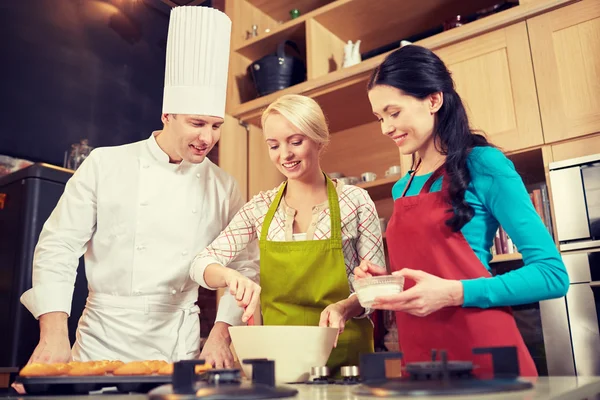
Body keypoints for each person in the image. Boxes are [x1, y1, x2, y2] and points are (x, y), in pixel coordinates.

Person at [20, 6, 259, 365]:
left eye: (215, 125)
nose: (207, 137)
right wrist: (53, 335)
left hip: (179, 345)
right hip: (102, 340)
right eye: (197, 123)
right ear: (167, 115)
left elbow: (245, 266)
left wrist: (221, 335)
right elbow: (58, 247)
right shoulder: (106, 164)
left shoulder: (224, 186)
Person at [355, 44, 569, 377]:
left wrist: (455, 293)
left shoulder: (484, 165)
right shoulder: (403, 187)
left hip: (485, 355)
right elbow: (425, 274)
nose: (385, 127)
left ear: (433, 100)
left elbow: (552, 275)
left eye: (393, 113)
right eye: (379, 117)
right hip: (422, 360)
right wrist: (386, 282)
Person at [190, 94, 385, 373]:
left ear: (319, 139)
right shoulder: (260, 208)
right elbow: (200, 265)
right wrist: (229, 276)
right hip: (279, 361)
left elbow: (377, 289)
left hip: (346, 356)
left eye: (296, 142)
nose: (284, 155)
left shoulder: (355, 202)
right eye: (274, 145)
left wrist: (345, 307)